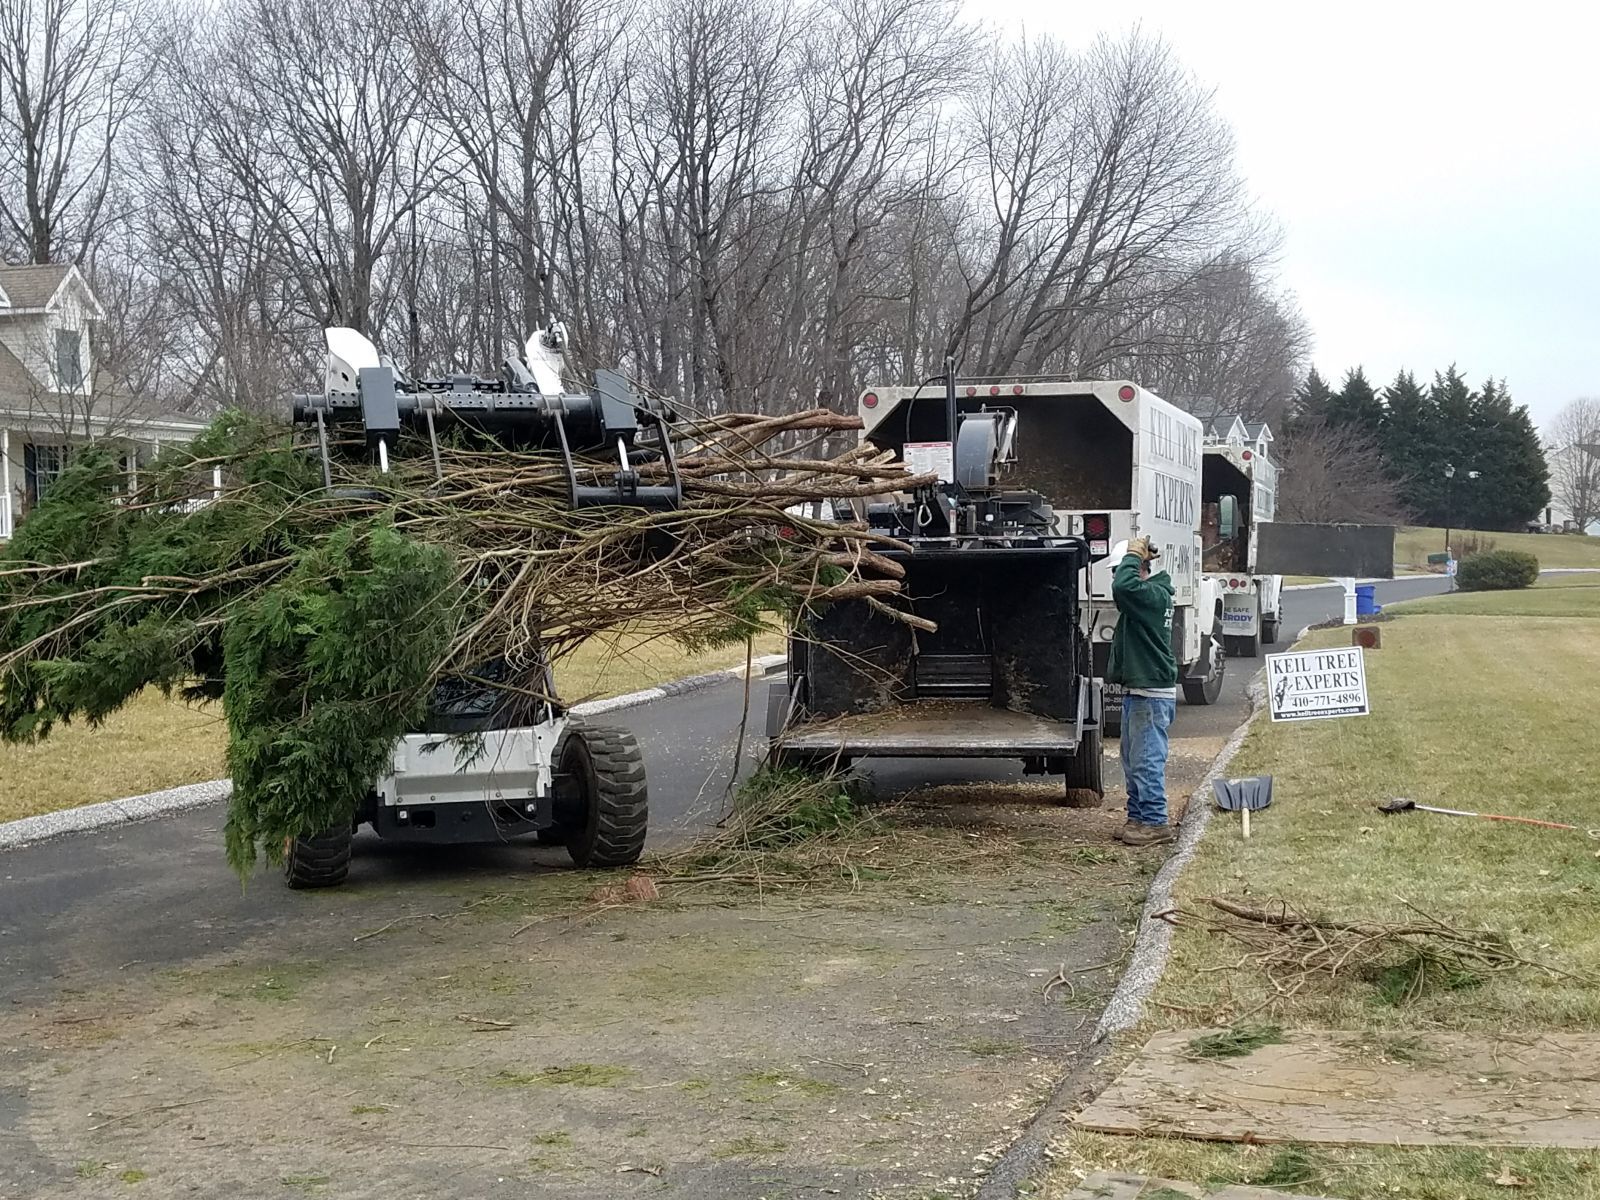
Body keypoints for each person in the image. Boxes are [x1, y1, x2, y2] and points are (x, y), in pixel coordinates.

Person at [1105, 535, 1177, 846]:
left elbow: (1123, 587)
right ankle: (1138, 816)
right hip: (1141, 691)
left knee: (1146, 759)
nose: (1114, 578)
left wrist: (1132, 556)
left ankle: (1155, 821)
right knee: (1132, 759)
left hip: (1151, 692)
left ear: (1137, 568)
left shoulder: (1151, 595)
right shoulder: (1150, 596)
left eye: (1118, 570)